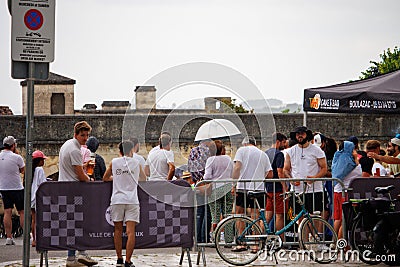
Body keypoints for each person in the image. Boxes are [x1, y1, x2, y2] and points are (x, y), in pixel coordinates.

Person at [58, 121, 98, 267]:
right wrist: (90, 179)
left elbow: (73, 168)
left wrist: (83, 167)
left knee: (73, 224)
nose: (85, 138)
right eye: (83, 135)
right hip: (74, 191)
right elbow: (81, 176)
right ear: (76, 134)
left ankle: (76, 255)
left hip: (66, 188)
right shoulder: (75, 150)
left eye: (87, 135)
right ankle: (79, 254)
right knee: (79, 223)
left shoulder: (67, 145)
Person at [103, 140, 146, 267]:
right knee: (130, 231)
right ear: (131, 150)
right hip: (132, 200)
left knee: (117, 230)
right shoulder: (137, 163)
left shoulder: (114, 162)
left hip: (117, 199)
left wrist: (116, 178)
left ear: (120, 151)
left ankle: (119, 258)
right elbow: (143, 179)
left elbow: (105, 178)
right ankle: (128, 260)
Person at [232, 136, 272, 252]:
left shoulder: (241, 151)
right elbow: (269, 174)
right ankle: (255, 245)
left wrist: (233, 183)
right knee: (256, 216)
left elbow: (237, 167)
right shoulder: (262, 154)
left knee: (240, 215)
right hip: (258, 189)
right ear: (255, 144)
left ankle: (242, 243)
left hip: (243, 188)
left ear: (244, 144)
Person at [283, 126, 328, 216]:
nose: (300, 136)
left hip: (314, 190)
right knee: (298, 217)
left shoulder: (317, 150)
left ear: (307, 135)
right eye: (298, 134)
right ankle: (301, 231)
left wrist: (314, 178)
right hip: (296, 190)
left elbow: (324, 168)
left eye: (302, 134)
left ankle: (315, 231)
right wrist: (291, 179)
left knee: (314, 216)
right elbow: (286, 169)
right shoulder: (290, 151)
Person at [203, 140, 233, 237]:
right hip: (228, 187)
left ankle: (215, 237)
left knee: (214, 216)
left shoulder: (210, 160)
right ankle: (229, 239)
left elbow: (207, 177)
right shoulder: (228, 159)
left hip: (215, 189)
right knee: (227, 216)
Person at [331, 141, 362, 239]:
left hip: (338, 191)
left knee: (338, 218)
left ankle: (334, 241)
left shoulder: (338, 158)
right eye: (353, 149)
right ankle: (341, 242)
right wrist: (356, 158)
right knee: (344, 219)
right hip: (345, 193)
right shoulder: (349, 163)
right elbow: (358, 171)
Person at [188, 139, 214, 244]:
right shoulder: (207, 152)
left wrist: (196, 181)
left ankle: (197, 237)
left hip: (197, 184)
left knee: (199, 211)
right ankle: (204, 237)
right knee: (207, 212)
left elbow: (190, 167)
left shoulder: (192, 151)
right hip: (206, 184)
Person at [0, 136, 25, 245]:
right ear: (13, 145)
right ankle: (26, 234)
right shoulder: (17, 157)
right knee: (22, 211)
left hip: (4, 187)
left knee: (7, 211)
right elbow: (23, 170)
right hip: (17, 187)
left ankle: (9, 237)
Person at [265, 132, 288, 233]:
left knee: (267, 216)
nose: (284, 145)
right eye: (283, 142)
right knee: (280, 215)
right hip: (278, 189)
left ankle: (259, 238)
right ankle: (280, 240)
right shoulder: (279, 154)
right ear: (278, 142)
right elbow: (280, 172)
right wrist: (284, 187)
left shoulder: (266, 153)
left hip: (268, 188)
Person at [30, 150, 48, 247]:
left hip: (31, 197)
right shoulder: (40, 170)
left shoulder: (30, 170)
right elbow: (42, 183)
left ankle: (34, 239)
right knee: (39, 220)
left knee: (34, 219)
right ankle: (38, 239)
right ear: (39, 161)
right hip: (38, 197)